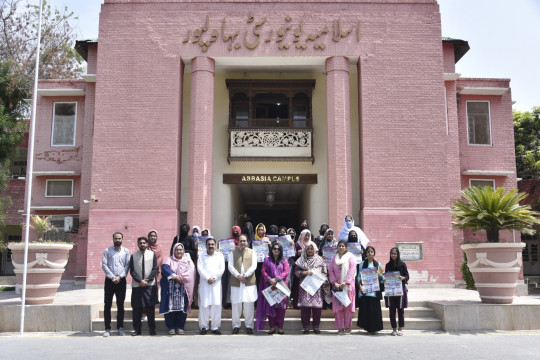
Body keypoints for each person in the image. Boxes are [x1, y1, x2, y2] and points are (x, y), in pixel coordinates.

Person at [294, 240, 330, 334]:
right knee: (305, 308)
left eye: (311, 248)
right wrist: (305, 272)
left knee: (317, 308)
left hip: (316, 287)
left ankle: (316, 327)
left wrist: (326, 287)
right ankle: (306, 327)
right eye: (308, 249)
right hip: (304, 287)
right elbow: (296, 272)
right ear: (305, 250)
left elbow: (324, 272)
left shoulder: (320, 260)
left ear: (314, 249)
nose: (310, 250)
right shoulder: (301, 260)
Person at [159, 242, 195, 335]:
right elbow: (164, 268)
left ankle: (180, 327)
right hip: (170, 289)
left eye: (181, 249)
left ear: (183, 251)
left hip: (184, 288)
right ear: (174, 251)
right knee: (169, 308)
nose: (179, 251)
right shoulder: (169, 259)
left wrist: (181, 277)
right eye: (177, 249)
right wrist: (174, 276)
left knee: (182, 308)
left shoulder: (188, 260)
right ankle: (171, 327)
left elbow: (191, 271)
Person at [255, 242, 290, 334]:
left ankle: (280, 327)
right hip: (270, 286)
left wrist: (277, 278)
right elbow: (263, 271)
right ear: (271, 249)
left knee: (281, 308)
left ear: (280, 250)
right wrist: (270, 279)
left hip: (281, 286)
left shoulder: (284, 260)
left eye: (278, 249)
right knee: (271, 306)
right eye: (274, 248)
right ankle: (272, 327)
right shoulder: (267, 260)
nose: (276, 250)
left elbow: (286, 271)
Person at [101, 232, 130, 337]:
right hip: (109, 281)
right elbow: (104, 265)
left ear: (122, 239)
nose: (118, 240)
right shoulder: (107, 251)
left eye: (119, 238)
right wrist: (113, 277)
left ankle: (120, 327)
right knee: (107, 305)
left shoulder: (126, 251)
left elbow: (127, 265)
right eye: (116, 238)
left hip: (121, 281)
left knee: (120, 305)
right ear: (113, 239)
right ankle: (107, 328)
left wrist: (120, 277)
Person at [229, 234, 258, 334]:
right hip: (236, 282)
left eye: (244, 241)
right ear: (238, 242)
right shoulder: (232, 252)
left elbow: (254, 266)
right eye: (241, 241)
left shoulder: (252, 252)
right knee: (236, 305)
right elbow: (230, 266)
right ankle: (236, 325)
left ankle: (249, 325)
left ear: (247, 242)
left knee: (249, 305)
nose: (242, 243)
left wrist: (245, 275)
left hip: (248, 282)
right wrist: (239, 276)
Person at [130, 236, 158, 336]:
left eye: (144, 243)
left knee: (150, 308)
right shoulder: (133, 256)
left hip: (150, 285)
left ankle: (152, 329)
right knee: (136, 308)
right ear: (138, 244)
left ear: (147, 244)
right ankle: (137, 330)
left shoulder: (152, 254)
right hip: (137, 285)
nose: (142, 245)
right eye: (140, 243)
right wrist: (139, 281)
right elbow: (132, 271)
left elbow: (155, 269)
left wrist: (147, 280)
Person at [198, 237, 225, 335]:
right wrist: (207, 278)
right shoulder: (201, 256)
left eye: (212, 244)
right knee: (204, 305)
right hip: (205, 283)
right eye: (209, 244)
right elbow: (200, 268)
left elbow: (222, 269)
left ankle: (215, 326)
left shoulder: (220, 256)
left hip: (216, 284)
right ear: (205, 246)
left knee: (216, 305)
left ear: (216, 245)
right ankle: (204, 327)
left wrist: (214, 277)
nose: (211, 246)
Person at [328, 240, 356, 335]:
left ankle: (348, 327)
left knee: (347, 307)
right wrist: (334, 282)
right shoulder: (333, 259)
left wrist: (346, 282)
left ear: (346, 247)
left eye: (343, 246)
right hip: (337, 287)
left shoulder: (350, 257)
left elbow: (352, 270)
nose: (341, 247)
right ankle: (340, 327)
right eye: (339, 246)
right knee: (339, 308)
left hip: (347, 286)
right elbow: (330, 271)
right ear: (337, 247)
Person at [357, 245, 384, 335]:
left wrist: (380, 276)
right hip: (365, 290)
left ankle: (375, 328)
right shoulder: (361, 264)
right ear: (366, 253)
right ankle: (368, 328)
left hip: (374, 292)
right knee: (366, 310)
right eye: (368, 252)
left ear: (374, 253)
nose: (370, 253)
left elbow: (382, 278)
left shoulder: (378, 264)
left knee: (374, 311)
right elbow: (359, 277)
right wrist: (360, 286)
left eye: (371, 251)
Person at [385, 247, 409, 336]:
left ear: (398, 254)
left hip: (400, 290)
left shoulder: (402, 264)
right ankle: (394, 329)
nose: (393, 255)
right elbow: (386, 276)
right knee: (392, 311)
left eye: (395, 253)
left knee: (400, 310)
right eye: (392, 253)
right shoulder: (388, 265)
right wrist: (385, 279)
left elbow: (407, 276)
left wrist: (403, 278)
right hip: (391, 291)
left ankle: (400, 329)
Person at [222, 226, 241, 309]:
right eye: (234, 230)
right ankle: (227, 301)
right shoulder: (228, 241)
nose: (235, 232)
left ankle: (236, 301)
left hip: (238, 264)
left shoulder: (242, 242)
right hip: (228, 264)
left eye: (237, 231)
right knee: (228, 283)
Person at [292, 229, 311, 309]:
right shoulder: (297, 245)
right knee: (297, 287)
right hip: (299, 269)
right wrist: (297, 253)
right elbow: (292, 256)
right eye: (305, 235)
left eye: (308, 235)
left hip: (309, 269)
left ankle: (306, 305)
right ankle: (297, 305)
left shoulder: (312, 244)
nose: (306, 237)